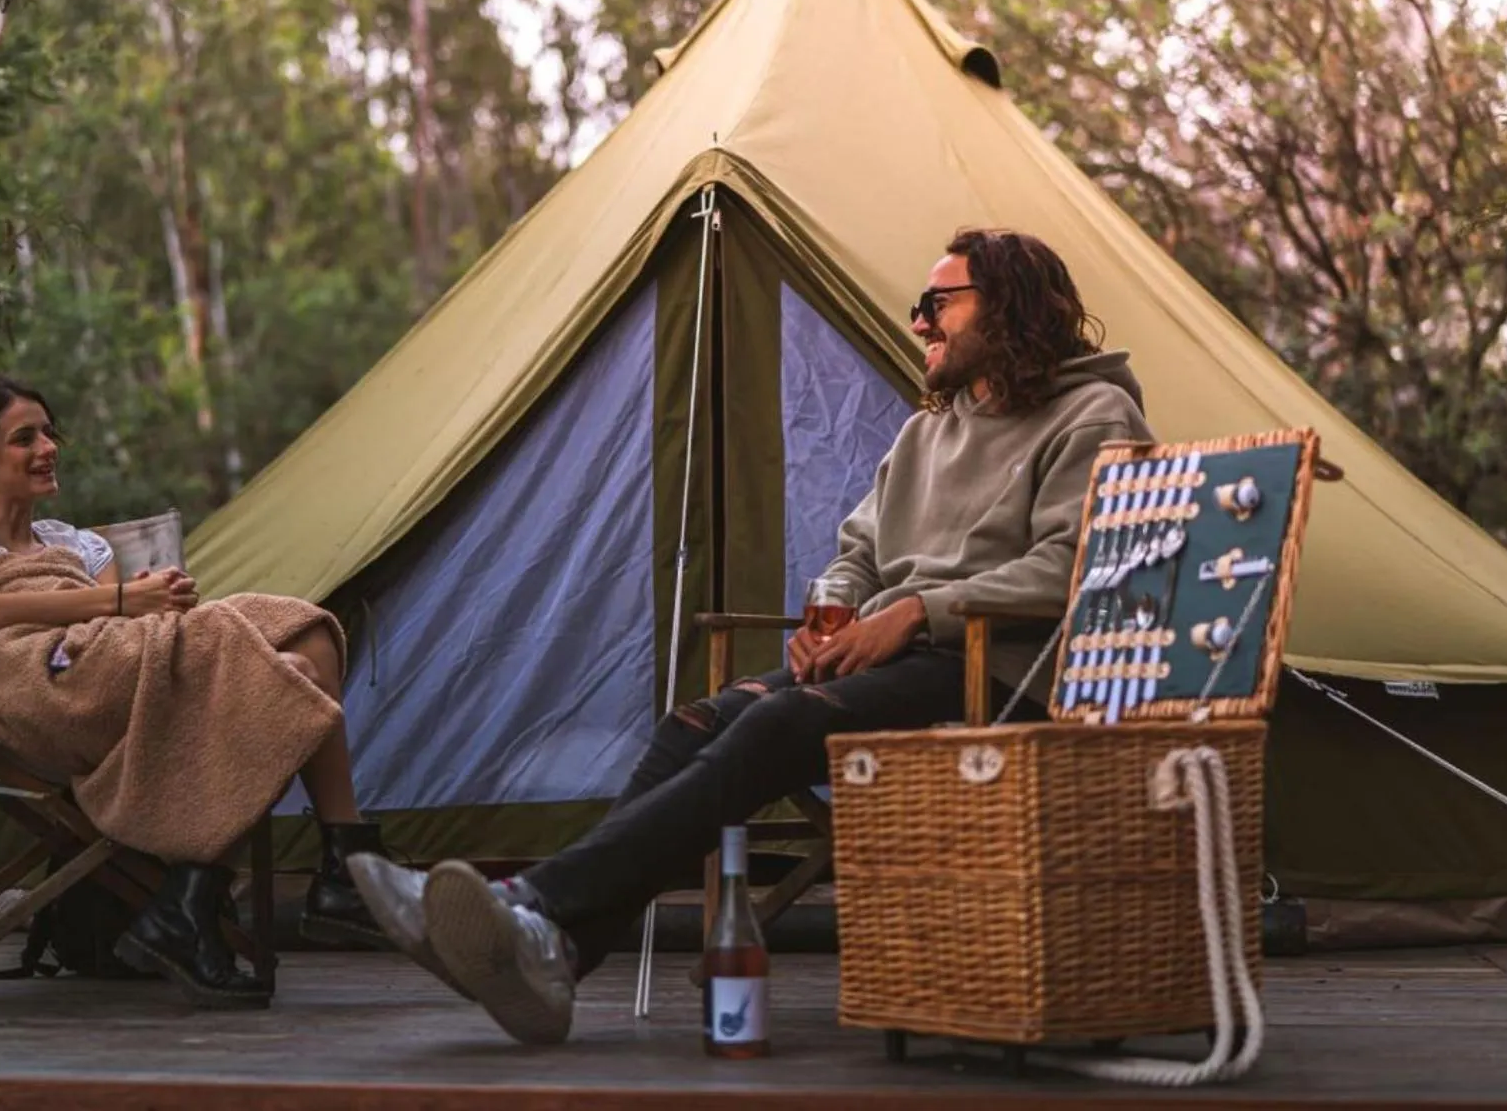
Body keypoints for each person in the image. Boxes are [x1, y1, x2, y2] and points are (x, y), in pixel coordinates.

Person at [346, 227, 1155, 1045]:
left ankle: (536, 910)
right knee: (694, 719)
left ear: (1007, 305)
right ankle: (553, 943)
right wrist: (829, 615)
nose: (918, 324)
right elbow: (857, 553)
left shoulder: (1094, 413)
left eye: (937, 304)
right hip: (888, 661)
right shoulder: (926, 432)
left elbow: (1084, 561)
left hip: (995, 672)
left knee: (776, 721)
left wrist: (913, 613)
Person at [0, 350, 391, 1010]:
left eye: (47, 433)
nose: (47, 448)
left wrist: (157, 604)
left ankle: (303, 875)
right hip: (17, 680)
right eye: (25, 438)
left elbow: (122, 639)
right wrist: (126, 602)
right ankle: (252, 891)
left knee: (306, 638)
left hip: (95, 669)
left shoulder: (79, 545)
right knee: (242, 651)